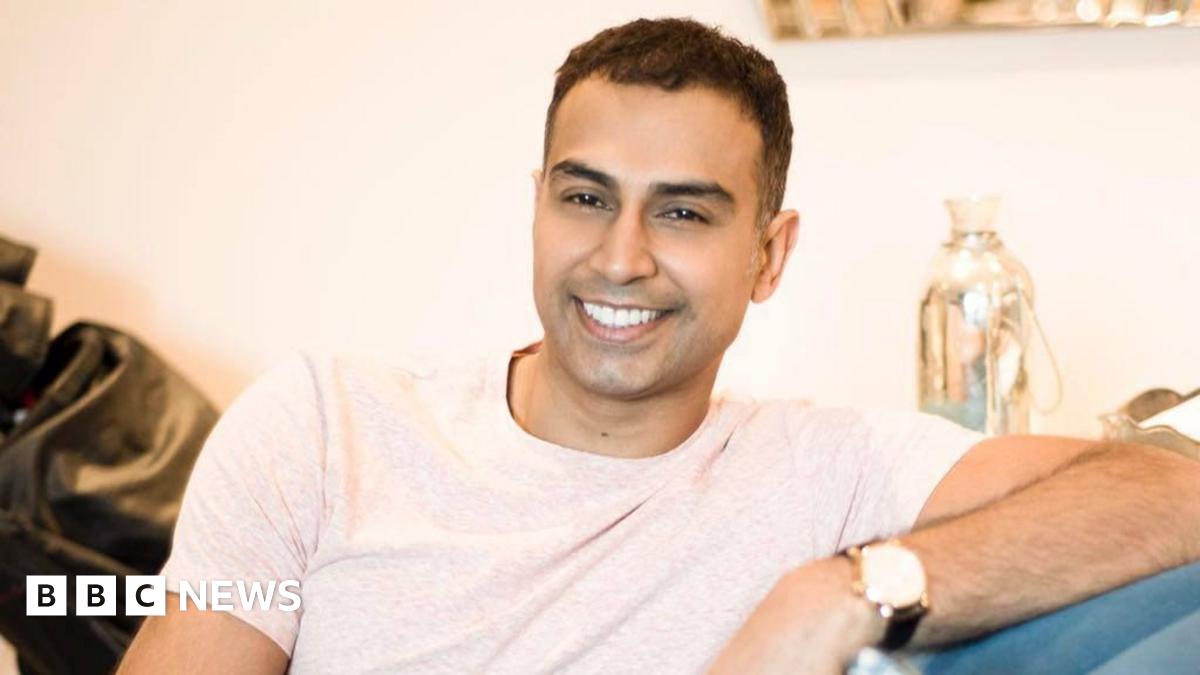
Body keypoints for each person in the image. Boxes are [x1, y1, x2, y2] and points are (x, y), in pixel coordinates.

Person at [118, 17, 1200, 675]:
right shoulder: (322, 426)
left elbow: (1174, 489)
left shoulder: (835, 472)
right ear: (536, 206)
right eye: (587, 197)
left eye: (684, 213)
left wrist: (835, 594)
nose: (620, 257)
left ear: (768, 256)